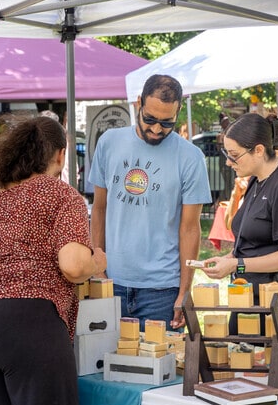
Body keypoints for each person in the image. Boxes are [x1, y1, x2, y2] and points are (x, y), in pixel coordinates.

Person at [0, 116, 106, 405]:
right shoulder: (60, 193)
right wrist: (97, 260)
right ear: (61, 154)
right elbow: (74, 266)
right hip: (26, 321)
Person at [89, 74, 211, 331]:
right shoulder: (108, 142)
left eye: (167, 123)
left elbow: (190, 229)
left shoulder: (191, 157)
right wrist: (98, 271)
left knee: (160, 368)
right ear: (138, 104)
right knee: (107, 368)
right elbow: (99, 210)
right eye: (150, 119)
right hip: (111, 281)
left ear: (178, 111)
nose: (156, 129)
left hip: (162, 289)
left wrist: (184, 291)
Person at [201, 113, 278, 331]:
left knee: (256, 362)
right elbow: (256, 241)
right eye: (227, 153)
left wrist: (237, 264)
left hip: (276, 300)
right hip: (251, 294)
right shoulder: (257, 179)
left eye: (234, 155)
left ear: (259, 150)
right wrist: (229, 257)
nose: (228, 161)